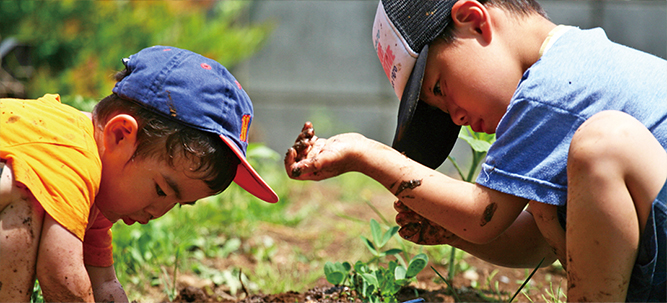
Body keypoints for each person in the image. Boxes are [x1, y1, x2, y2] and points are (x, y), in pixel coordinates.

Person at [285, 0, 666, 301]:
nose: (457, 117)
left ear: (474, 20)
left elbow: (481, 216)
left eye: (439, 89)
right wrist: (453, 234)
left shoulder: (553, 85)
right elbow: (538, 243)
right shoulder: (563, 82)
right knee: (550, 203)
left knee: (603, 143)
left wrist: (363, 153)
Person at [0, 45, 278, 302]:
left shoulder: (93, 202)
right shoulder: (70, 153)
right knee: (22, 191)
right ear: (120, 135)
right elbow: (62, 275)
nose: (159, 213)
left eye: (177, 204)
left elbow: (104, 285)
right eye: (161, 190)